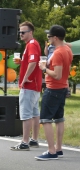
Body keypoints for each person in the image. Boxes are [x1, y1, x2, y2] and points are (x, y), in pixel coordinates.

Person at [35, 25, 73, 160]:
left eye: (49, 36)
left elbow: (56, 74)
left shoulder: (58, 53)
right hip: (62, 88)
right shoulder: (67, 49)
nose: (48, 38)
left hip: (53, 88)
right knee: (59, 119)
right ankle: (59, 148)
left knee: (45, 119)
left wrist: (44, 68)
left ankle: (51, 151)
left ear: (55, 38)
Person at [10, 21, 42, 151]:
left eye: (23, 32)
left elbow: (33, 62)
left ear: (30, 32)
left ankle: (25, 142)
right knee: (34, 113)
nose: (20, 34)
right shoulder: (32, 44)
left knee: (26, 114)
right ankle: (34, 139)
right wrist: (22, 62)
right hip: (35, 85)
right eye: (19, 32)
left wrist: (24, 78)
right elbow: (31, 61)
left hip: (29, 85)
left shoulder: (32, 44)